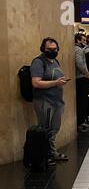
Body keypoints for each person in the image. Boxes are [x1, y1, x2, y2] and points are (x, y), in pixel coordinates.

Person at [31, 37, 70, 165]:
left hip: (56, 101)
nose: (52, 51)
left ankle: (52, 152)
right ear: (43, 49)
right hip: (44, 101)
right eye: (49, 49)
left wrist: (60, 81)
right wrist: (55, 82)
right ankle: (45, 155)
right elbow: (36, 83)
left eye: (55, 49)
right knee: (45, 128)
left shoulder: (55, 61)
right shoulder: (38, 62)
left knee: (54, 128)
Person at [75, 34, 89, 132]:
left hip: (80, 78)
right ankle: (80, 123)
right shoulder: (78, 50)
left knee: (82, 101)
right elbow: (80, 64)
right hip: (81, 78)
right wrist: (88, 75)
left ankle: (81, 121)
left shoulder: (77, 49)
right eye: (83, 40)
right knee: (82, 101)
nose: (85, 42)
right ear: (78, 40)